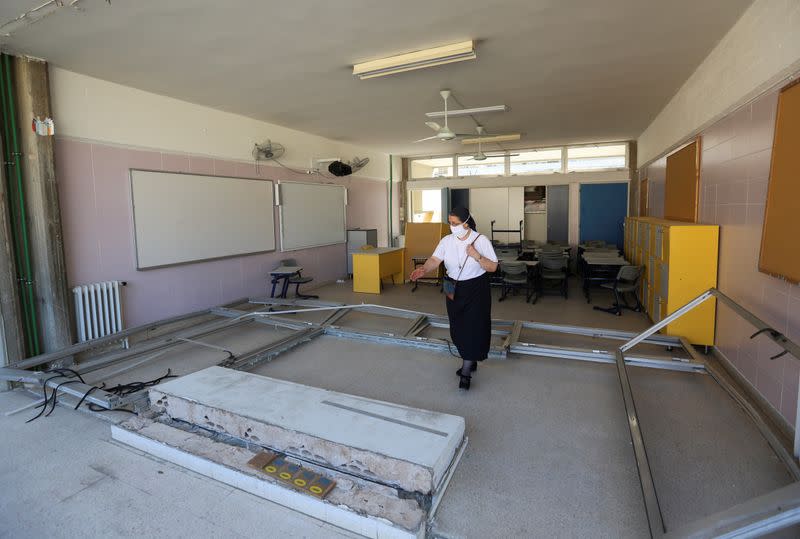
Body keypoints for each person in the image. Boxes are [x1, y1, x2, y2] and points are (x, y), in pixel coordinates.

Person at [410, 207, 498, 390]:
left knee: (473, 327)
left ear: (466, 223)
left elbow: (493, 267)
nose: (452, 226)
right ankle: (470, 358)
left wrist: (477, 256)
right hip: (451, 285)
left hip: (475, 287)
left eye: (455, 223)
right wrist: (424, 269)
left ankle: (466, 371)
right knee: (457, 325)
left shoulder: (480, 240)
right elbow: (435, 259)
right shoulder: (446, 241)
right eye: (450, 222)